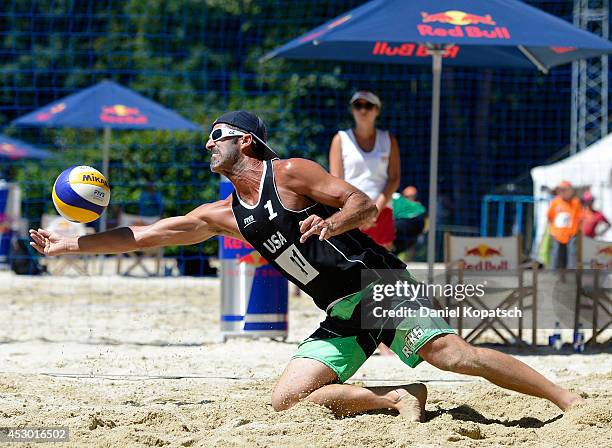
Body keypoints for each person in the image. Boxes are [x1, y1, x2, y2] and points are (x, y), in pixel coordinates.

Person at [30, 110, 584, 421]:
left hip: (378, 283)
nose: (207, 145)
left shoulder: (289, 173)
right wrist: (68, 246)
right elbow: (143, 235)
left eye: (215, 137)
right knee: (288, 399)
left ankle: (569, 401)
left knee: (452, 355)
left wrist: (334, 223)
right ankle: (397, 400)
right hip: (342, 309)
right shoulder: (222, 213)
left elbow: (362, 203)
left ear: (246, 141)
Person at [329, 90, 400, 250]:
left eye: (368, 105)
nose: (362, 110)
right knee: (351, 269)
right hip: (350, 212)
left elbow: (394, 178)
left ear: (377, 110)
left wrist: (374, 210)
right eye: (357, 105)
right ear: (352, 109)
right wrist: (354, 214)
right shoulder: (340, 139)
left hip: (381, 211)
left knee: (382, 272)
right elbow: (335, 182)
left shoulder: (388, 139)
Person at [547, 181, 582, 270]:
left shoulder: (576, 202)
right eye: (561, 190)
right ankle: (553, 274)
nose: (563, 192)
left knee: (572, 253)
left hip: (571, 234)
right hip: (557, 233)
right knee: (556, 253)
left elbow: (579, 218)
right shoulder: (555, 202)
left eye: (565, 190)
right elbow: (550, 217)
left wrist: (576, 231)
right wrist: (552, 230)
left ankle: (571, 274)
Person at [392, 186, 426, 261]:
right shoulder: (396, 200)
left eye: (412, 196)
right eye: (406, 196)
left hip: (407, 236)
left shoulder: (419, 209)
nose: (408, 199)